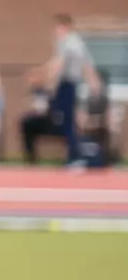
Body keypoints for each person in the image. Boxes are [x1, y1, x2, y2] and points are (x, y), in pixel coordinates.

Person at [37, 14, 101, 168]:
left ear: (65, 26)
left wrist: (49, 83)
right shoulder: (73, 43)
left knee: (66, 121)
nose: (54, 31)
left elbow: (59, 64)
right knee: (66, 120)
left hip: (68, 85)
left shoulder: (69, 43)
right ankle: (74, 153)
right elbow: (86, 64)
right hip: (68, 84)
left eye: (57, 27)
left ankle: (75, 155)